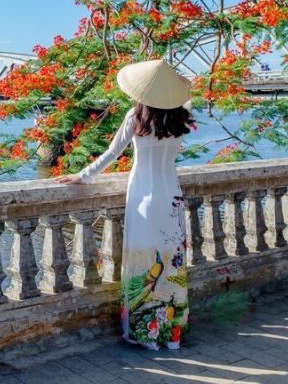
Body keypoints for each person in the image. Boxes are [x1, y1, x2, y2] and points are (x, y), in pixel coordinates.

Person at [57, 59, 194, 350]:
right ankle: (172, 335)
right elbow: (189, 95)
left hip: (144, 197)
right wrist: (183, 85)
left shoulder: (137, 116)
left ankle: (147, 333)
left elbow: (111, 153)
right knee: (171, 261)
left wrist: (82, 177)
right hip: (172, 196)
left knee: (144, 264)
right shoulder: (182, 116)